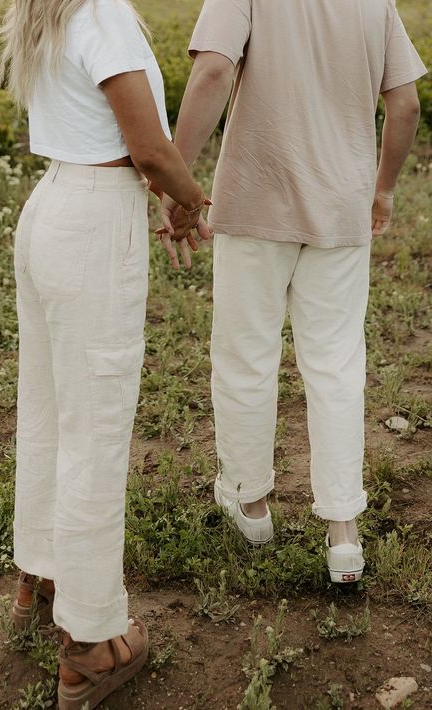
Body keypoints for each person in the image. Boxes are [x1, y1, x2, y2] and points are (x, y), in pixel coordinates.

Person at [160, 0, 427, 582]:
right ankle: (343, 533)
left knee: (245, 356)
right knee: (335, 365)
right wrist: (382, 189)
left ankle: (250, 503)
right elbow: (404, 104)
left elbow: (212, 71)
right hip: (340, 209)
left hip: (255, 203)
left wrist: (174, 178)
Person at [0, 0, 210, 707]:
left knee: (51, 410)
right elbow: (147, 148)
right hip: (92, 221)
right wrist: (189, 202)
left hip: (51, 205)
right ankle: (90, 641)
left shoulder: (44, 9)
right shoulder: (103, 12)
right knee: (94, 428)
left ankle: (43, 574)